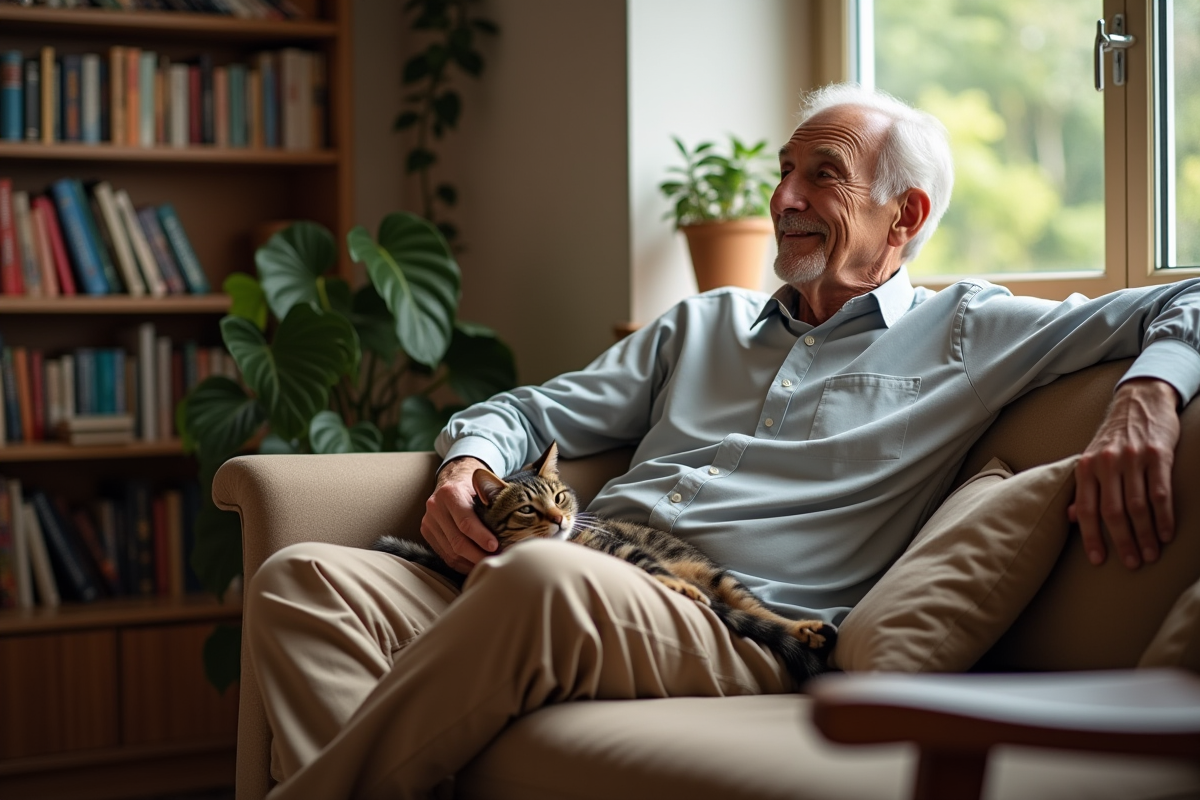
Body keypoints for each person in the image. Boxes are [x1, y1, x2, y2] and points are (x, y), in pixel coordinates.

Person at [246, 83, 1200, 800]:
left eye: (822, 174)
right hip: (571, 574)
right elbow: (531, 410)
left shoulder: (970, 331)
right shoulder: (701, 325)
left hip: (736, 624)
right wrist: (465, 467)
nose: (785, 194)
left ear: (903, 215)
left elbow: (1187, 294)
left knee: (537, 581)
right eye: (785, 169)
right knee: (303, 580)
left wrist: (1149, 391)